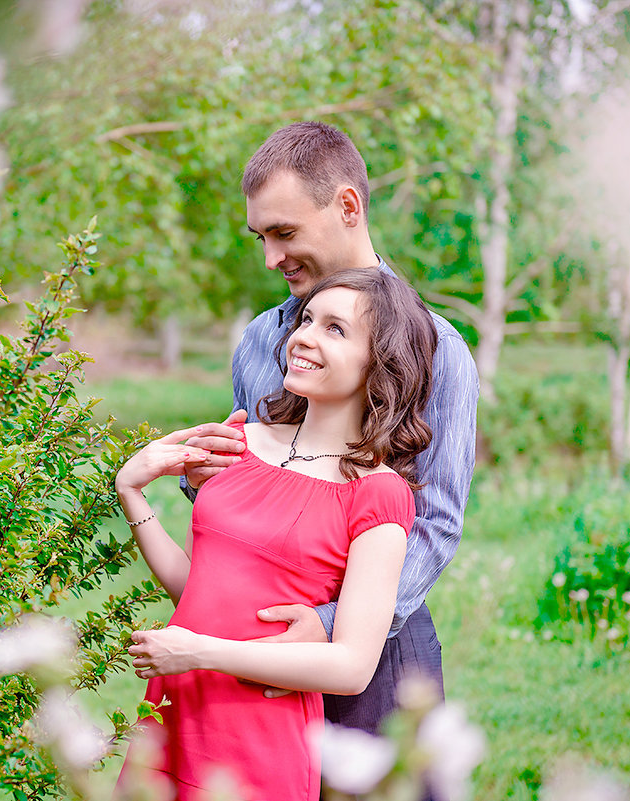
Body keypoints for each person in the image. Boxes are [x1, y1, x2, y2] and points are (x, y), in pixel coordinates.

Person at [181, 121, 479, 736]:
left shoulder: (440, 349)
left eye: (285, 232)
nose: (271, 258)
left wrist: (329, 619)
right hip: (258, 649)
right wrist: (204, 479)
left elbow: (438, 523)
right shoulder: (262, 339)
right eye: (260, 236)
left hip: (377, 660)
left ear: (348, 206)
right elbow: (256, 487)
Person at [116, 269, 438, 799]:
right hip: (175, 706)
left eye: (335, 329)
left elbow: (352, 666)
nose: (304, 337)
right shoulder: (240, 441)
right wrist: (132, 493)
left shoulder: (378, 492)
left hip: (259, 730)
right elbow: (200, 589)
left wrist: (199, 652)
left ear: (379, 362)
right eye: (308, 319)